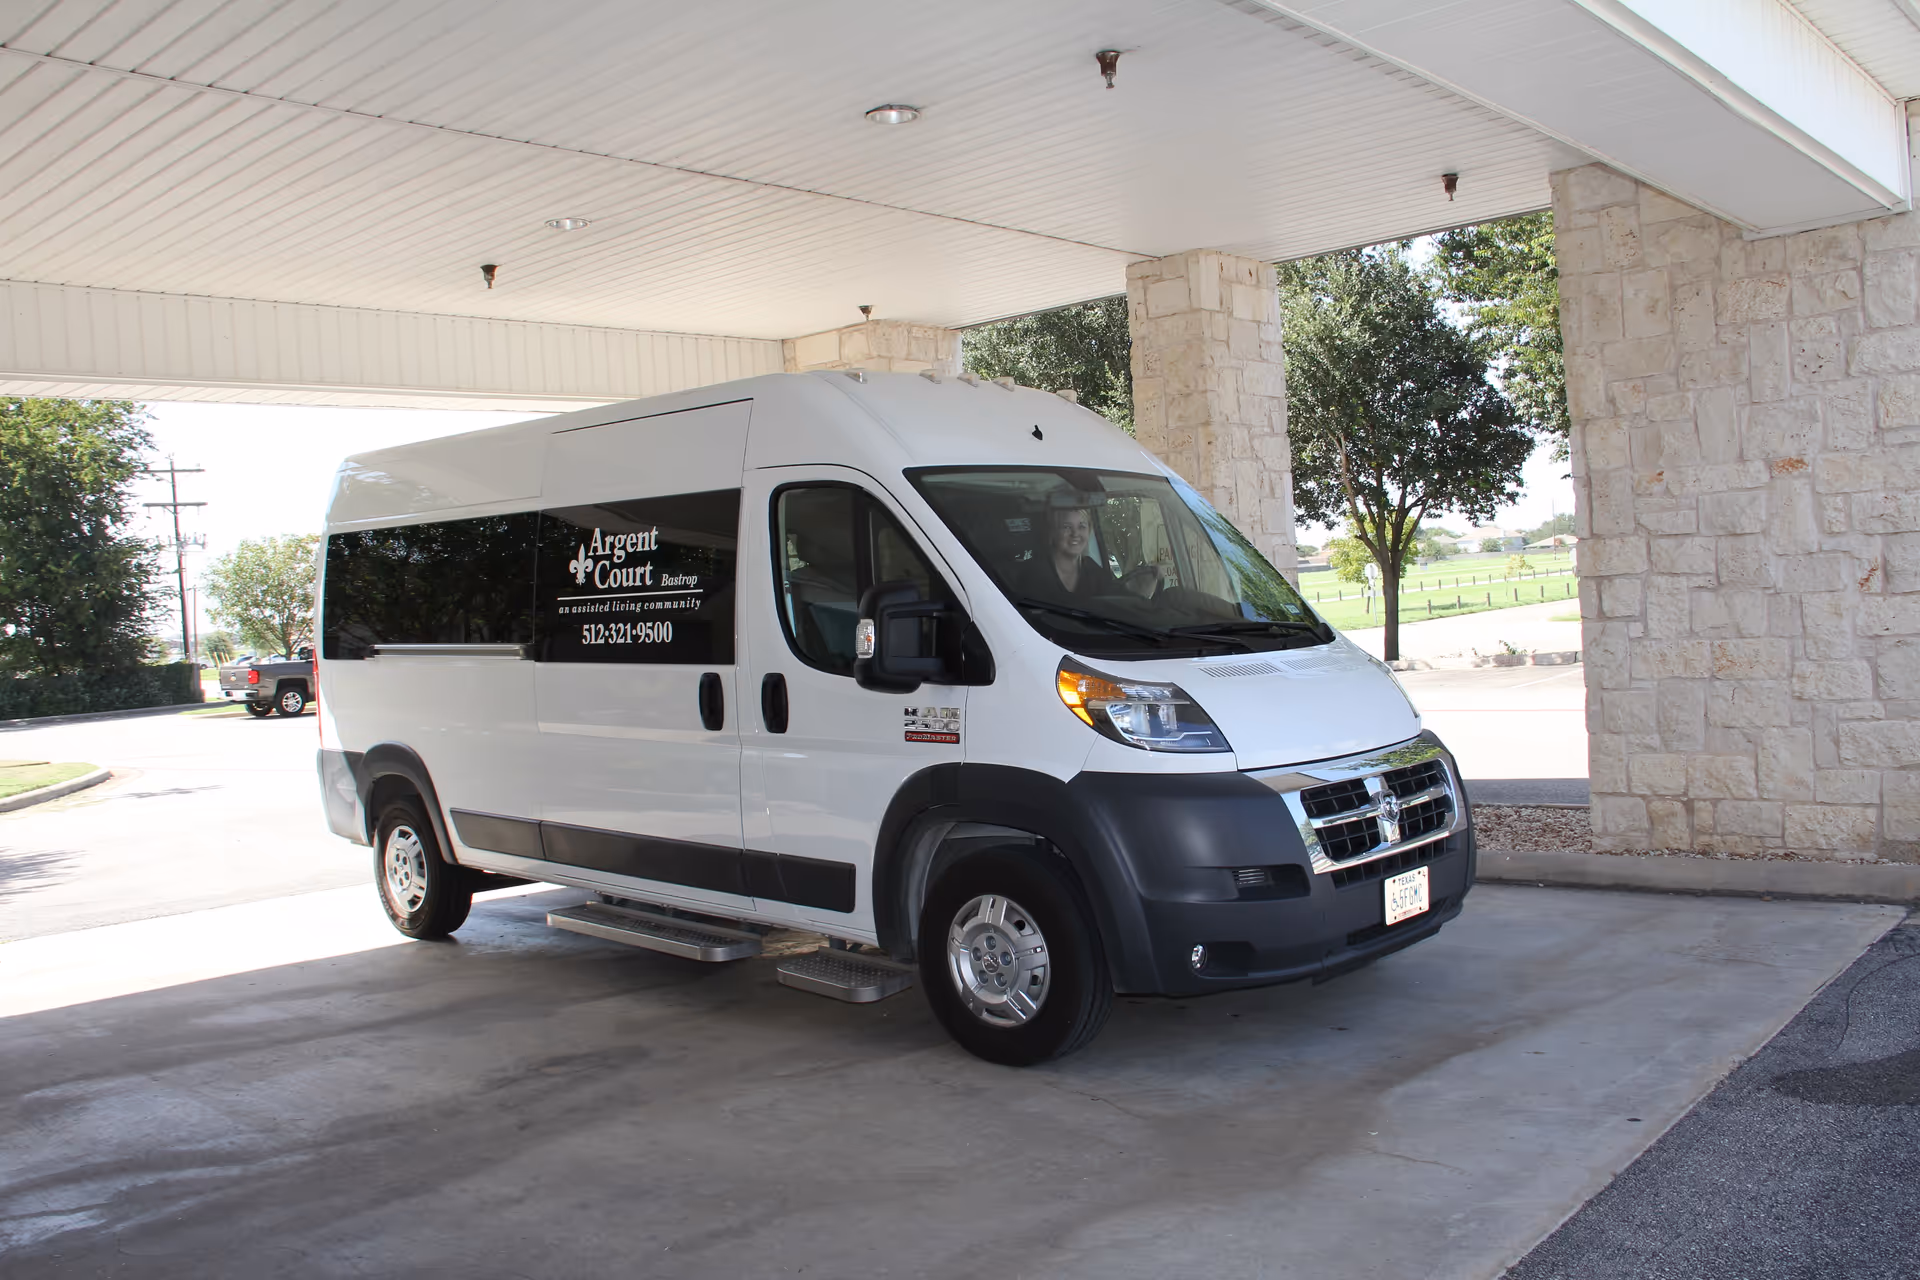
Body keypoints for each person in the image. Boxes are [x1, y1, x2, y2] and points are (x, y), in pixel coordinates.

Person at [1019, 505, 1108, 601]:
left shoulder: (1094, 571)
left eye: (1082, 526)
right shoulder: (1034, 575)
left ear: (1089, 531)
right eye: (1067, 527)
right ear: (1053, 532)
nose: (1075, 534)